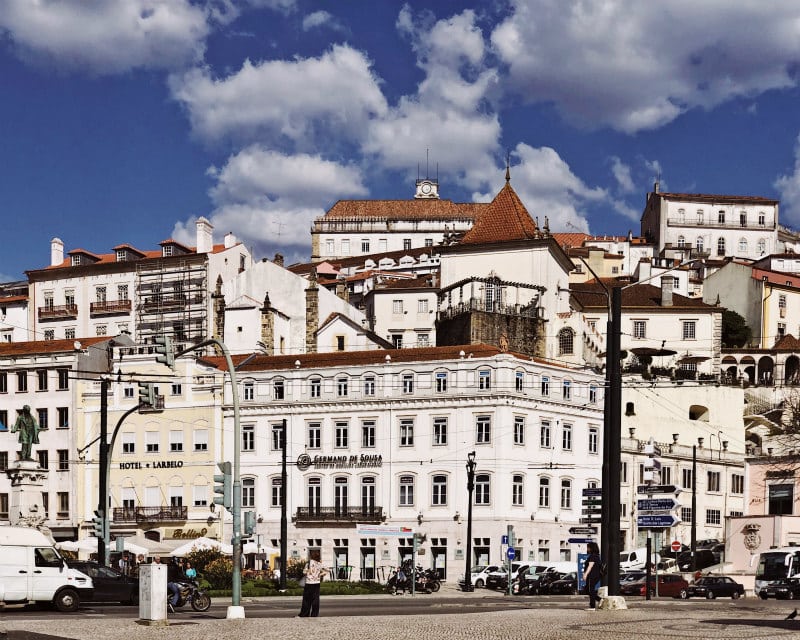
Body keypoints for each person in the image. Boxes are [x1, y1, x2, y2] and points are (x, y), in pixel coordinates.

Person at [297, 549, 328, 617]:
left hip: (309, 583)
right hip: (316, 583)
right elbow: (327, 570)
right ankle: (314, 614)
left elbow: (304, 572)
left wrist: (309, 571)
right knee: (315, 599)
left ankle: (305, 613)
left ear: (311, 556)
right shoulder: (319, 564)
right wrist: (321, 574)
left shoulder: (308, 563)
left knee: (307, 600)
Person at [582, 542, 602, 611]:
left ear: (591, 548)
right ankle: (600, 599)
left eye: (588, 547)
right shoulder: (596, 556)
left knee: (591, 590)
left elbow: (590, 566)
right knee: (588, 590)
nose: (587, 549)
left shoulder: (593, 556)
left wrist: (585, 574)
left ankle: (592, 606)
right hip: (596, 575)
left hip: (592, 575)